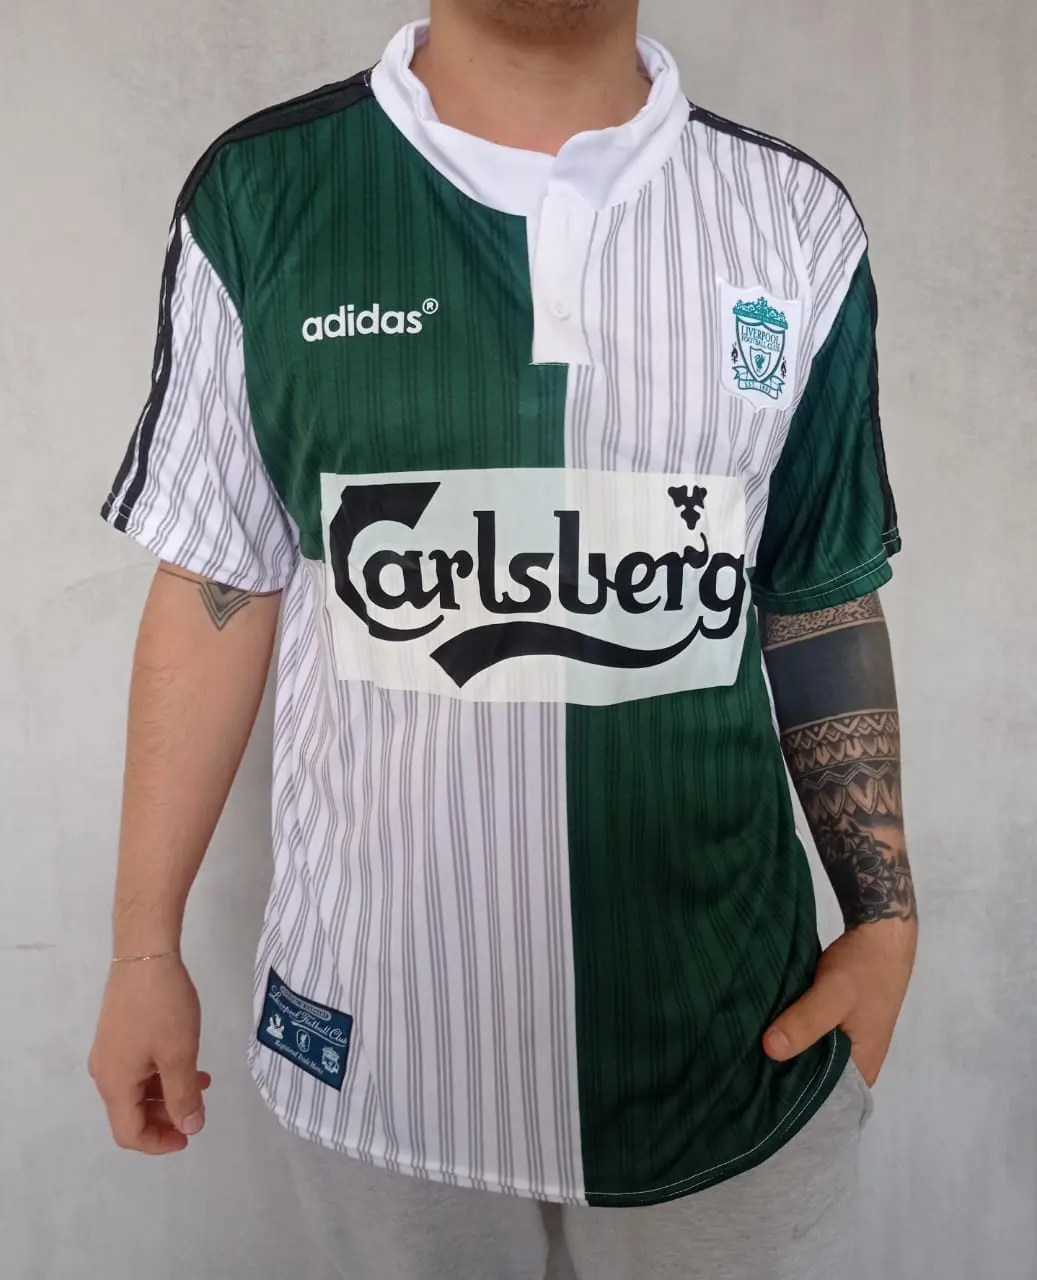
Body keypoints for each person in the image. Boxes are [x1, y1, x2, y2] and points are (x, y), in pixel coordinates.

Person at [88, 1, 918, 1276]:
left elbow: (815, 588)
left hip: (725, 1042)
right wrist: (144, 946)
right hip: (374, 1056)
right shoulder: (259, 197)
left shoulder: (794, 219)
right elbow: (219, 581)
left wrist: (884, 916)